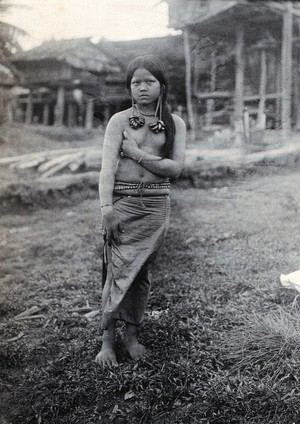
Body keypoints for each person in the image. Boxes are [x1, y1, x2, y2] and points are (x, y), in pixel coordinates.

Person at [95, 55, 186, 367]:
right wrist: (107, 208)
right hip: (122, 204)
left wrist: (135, 153)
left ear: (162, 86)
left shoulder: (176, 124)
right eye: (136, 82)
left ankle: (132, 335)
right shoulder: (119, 121)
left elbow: (175, 168)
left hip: (157, 207)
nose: (143, 87)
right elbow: (107, 169)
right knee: (115, 270)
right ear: (129, 87)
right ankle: (107, 341)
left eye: (149, 81)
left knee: (141, 272)